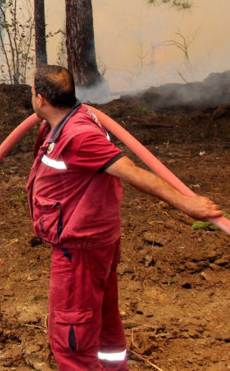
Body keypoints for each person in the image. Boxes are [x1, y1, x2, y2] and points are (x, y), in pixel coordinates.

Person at [27, 65, 223, 370]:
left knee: (72, 337)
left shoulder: (78, 136)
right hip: (95, 242)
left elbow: (131, 172)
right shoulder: (65, 123)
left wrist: (187, 204)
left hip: (79, 250)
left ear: (41, 99)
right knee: (104, 323)